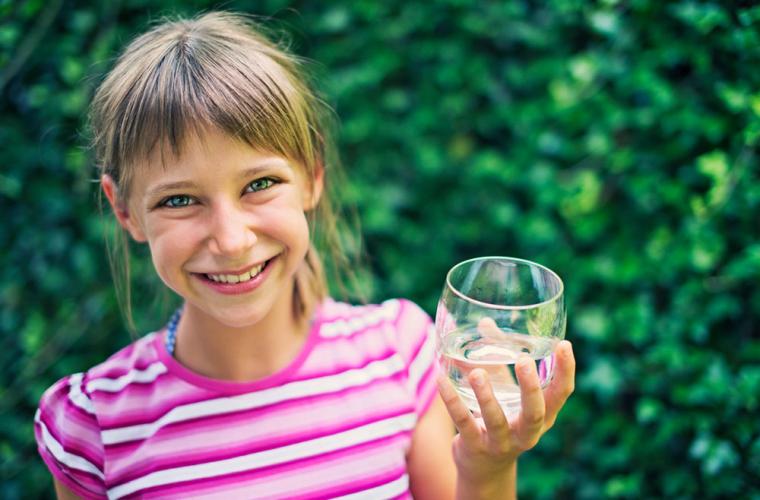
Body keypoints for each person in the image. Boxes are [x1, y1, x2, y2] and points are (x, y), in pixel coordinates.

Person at [33, 11, 575, 499]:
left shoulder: (398, 355)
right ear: (124, 210)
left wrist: (487, 463)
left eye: (260, 183)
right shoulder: (92, 426)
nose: (231, 239)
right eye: (179, 200)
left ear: (312, 177)